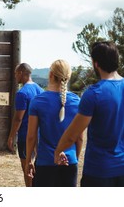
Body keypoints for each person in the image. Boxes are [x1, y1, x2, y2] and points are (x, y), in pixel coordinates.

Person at [55, 42, 124, 187]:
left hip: (99, 171)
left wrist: (58, 151)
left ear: (96, 63)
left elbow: (73, 134)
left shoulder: (94, 94)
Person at [25, 59, 83, 187]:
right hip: (70, 163)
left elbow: (31, 136)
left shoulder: (38, 101)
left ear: (50, 75)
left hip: (45, 162)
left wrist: (28, 160)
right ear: (68, 77)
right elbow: (79, 138)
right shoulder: (77, 102)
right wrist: (74, 158)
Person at [7, 63, 44, 186]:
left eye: (16, 74)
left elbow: (18, 118)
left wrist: (11, 136)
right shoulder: (41, 90)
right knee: (38, 168)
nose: (15, 77)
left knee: (27, 169)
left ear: (21, 73)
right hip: (40, 136)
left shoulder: (22, 93)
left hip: (25, 136)